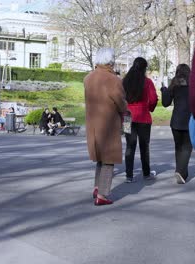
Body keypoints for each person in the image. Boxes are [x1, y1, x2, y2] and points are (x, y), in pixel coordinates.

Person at [84, 47, 127, 206]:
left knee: (100, 158)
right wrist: (126, 110)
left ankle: (97, 187)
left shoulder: (88, 78)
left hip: (93, 123)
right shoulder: (113, 80)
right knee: (108, 159)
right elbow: (121, 102)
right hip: (109, 123)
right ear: (111, 61)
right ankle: (102, 194)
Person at [123, 57, 158, 183]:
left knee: (129, 146)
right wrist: (150, 108)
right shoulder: (147, 82)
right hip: (143, 117)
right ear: (144, 68)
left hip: (127, 117)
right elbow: (153, 99)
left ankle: (129, 175)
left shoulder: (125, 81)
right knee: (144, 146)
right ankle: (146, 173)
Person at [161, 64, 192, 184]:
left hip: (176, 122)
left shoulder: (174, 84)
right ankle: (181, 171)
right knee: (187, 148)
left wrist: (164, 91)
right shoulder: (194, 85)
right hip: (190, 121)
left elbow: (165, 103)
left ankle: (180, 171)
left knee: (178, 147)